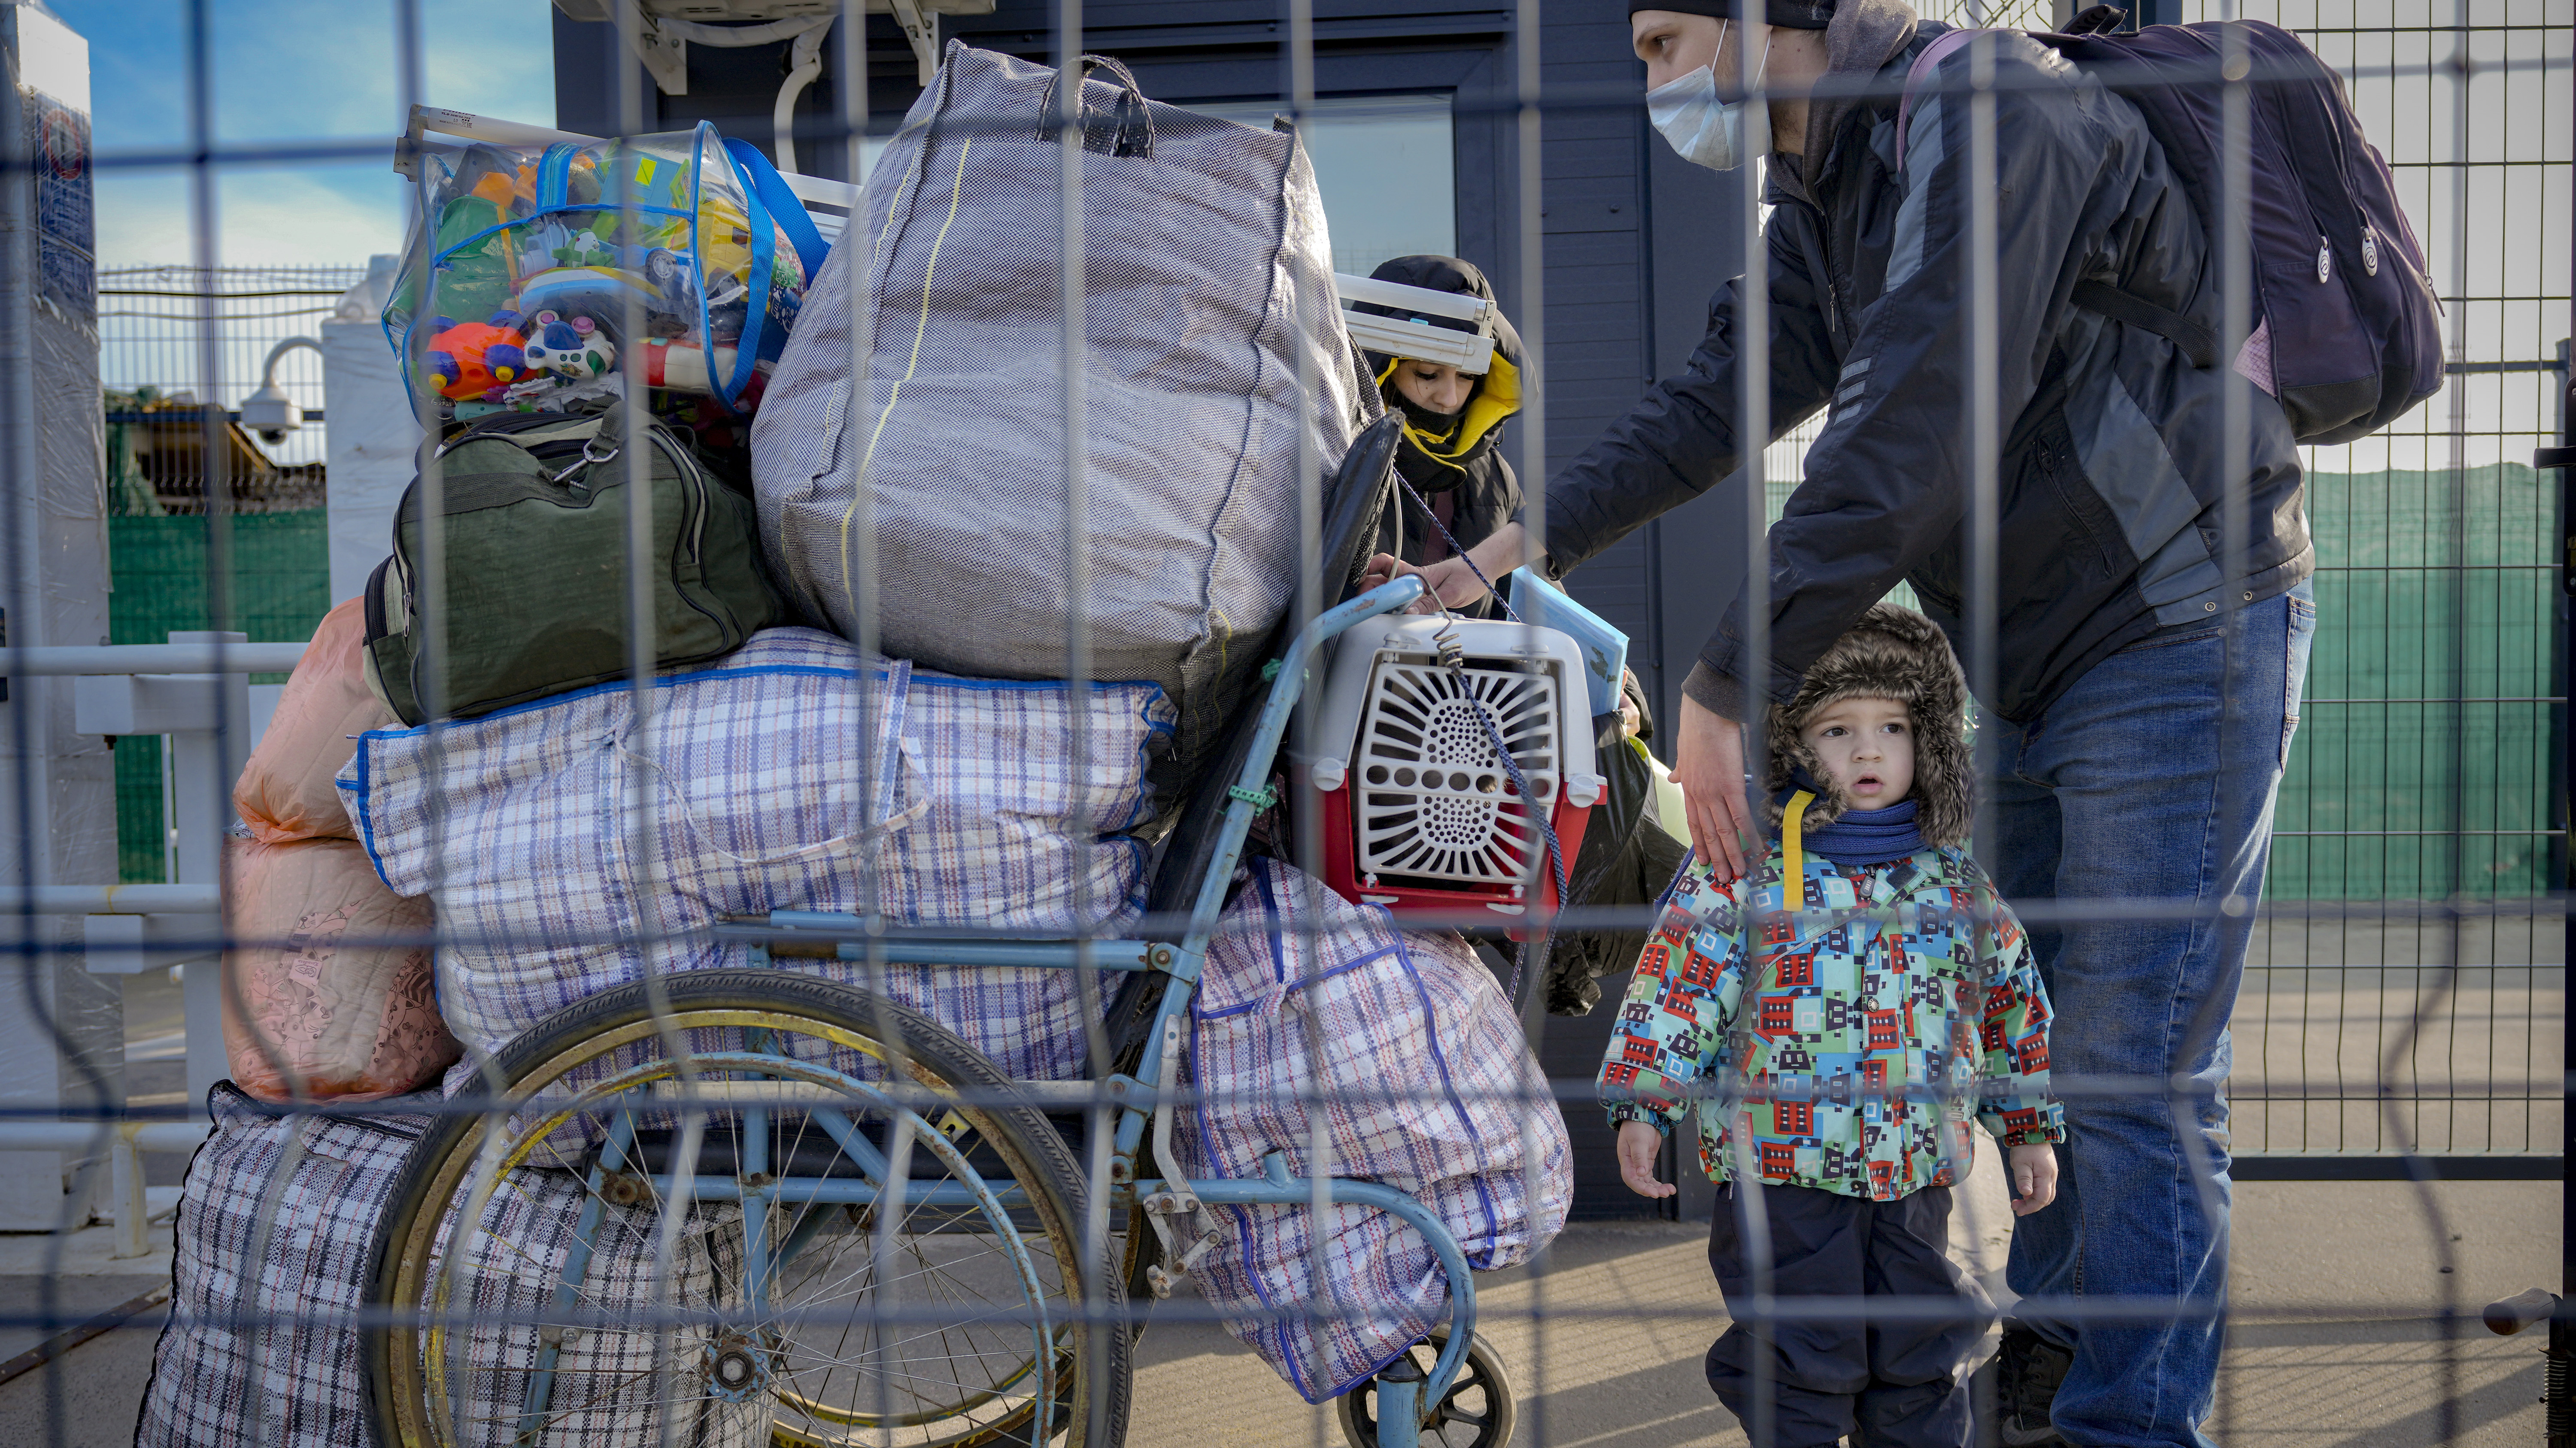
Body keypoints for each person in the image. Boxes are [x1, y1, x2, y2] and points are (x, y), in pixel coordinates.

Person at [1370, 3, 2318, 1444]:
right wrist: (1504, 553)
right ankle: (2056, 1367)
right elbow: (1710, 402)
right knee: (2060, 1036)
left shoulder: (1989, 113)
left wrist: (1728, 679)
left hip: (2183, 614)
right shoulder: (1823, 191)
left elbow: (1910, 423)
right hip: (2042, 649)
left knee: (2132, 1064)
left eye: (1662, 37)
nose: (1650, 76)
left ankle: (2133, 1425)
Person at [1599, 604, 2064, 1448]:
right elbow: (1678, 985)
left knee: (1920, 1346)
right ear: (1790, 745)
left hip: (1915, 1171)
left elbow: (2009, 1006)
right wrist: (1642, 1104)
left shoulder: (1956, 886)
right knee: (1795, 1353)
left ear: (1931, 741)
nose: (1868, 750)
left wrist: (2028, 1126)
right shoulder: (1742, 873)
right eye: (1837, 728)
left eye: (1893, 725)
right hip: (1780, 1171)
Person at [1351, 255, 1526, 618]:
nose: (1449, 398)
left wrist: (1611, 673)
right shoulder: (1327, 455)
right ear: (1379, 365)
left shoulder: (1494, 476)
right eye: (1428, 373)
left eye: (1467, 377)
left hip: (1468, 677)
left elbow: (1541, 609)